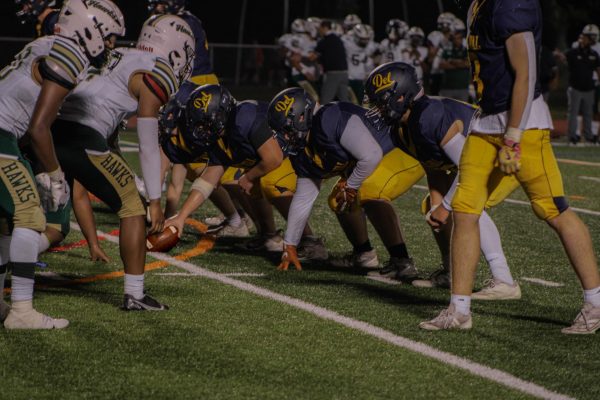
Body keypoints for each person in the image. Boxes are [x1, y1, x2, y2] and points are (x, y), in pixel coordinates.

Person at [420, 0, 600, 333]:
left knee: (553, 210)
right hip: (485, 121)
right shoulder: (480, 5)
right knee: (464, 209)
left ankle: (596, 302)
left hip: (523, 125)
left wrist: (513, 137)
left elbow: (525, 72)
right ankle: (459, 310)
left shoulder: (510, 5)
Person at [52, 14, 195, 311]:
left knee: (40, 218)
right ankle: (135, 294)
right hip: (81, 135)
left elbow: (110, 121)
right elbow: (147, 140)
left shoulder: (120, 54)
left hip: (53, 129)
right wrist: (154, 199)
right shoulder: (159, 70)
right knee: (133, 207)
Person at [0, 0, 124, 329]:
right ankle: (22, 311)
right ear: (92, 31)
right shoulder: (69, 55)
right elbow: (39, 128)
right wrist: (54, 173)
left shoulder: (46, 43)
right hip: (1, 135)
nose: (110, 44)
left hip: (6, 136)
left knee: (4, 221)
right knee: (30, 214)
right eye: (109, 36)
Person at [364, 62, 521, 299]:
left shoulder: (429, 116)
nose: (377, 109)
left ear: (399, 95)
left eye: (380, 101)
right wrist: (438, 206)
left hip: (506, 156)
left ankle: (504, 279)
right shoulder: (401, 129)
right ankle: (451, 272)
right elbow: (434, 167)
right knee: (435, 206)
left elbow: (470, 171)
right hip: (478, 162)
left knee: (465, 203)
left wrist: (446, 207)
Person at [268, 87, 420, 281]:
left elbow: (371, 155)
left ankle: (402, 262)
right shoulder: (302, 151)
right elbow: (303, 199)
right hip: (375, 159)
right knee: (338, 200)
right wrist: (289, 243)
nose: (284, 138)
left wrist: (351, 184)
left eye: (286, 130)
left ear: (301, 117)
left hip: (401, 149)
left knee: (367, 190)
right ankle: (363, 254)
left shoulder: (330, 117)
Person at [565, 30, 600, 145]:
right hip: (575, 87)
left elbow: (598, 69)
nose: (582, 40)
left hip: (589, 88)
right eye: (581, 38)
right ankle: (572, 136)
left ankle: (589, 136)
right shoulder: (573, 52)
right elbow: (565, 60)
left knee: (588, 113)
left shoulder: (594, 54)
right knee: (573, 113)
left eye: (584, 38)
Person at [310, 20, 350, 103]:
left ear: (325, 28)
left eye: (320, 28)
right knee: (345, 101)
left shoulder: (325, 40)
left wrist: (300, 56)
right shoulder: (338, 39)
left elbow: (312, 57)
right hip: (344, 73)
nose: (318, 30)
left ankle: (322, 116)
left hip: (333, 74)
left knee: (325, 101)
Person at [342, 24, 378, 104]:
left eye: (366, 39)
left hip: (360, 80)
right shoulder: (348, 44)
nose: (364, 41)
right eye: (362, 39)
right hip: (349, 79)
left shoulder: (347, 43)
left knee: (360, 104)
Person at [437, 19, 470, 102]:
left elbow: (468, 64)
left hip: (462, 88)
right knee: (446, 113)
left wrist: (451, 61)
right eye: (455, 38)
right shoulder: (447, 48)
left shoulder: (466, 49)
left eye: (458, 38)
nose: (457, 40)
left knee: (462, 113)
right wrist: (461, 63)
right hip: (447, 88)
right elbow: (442, 65)